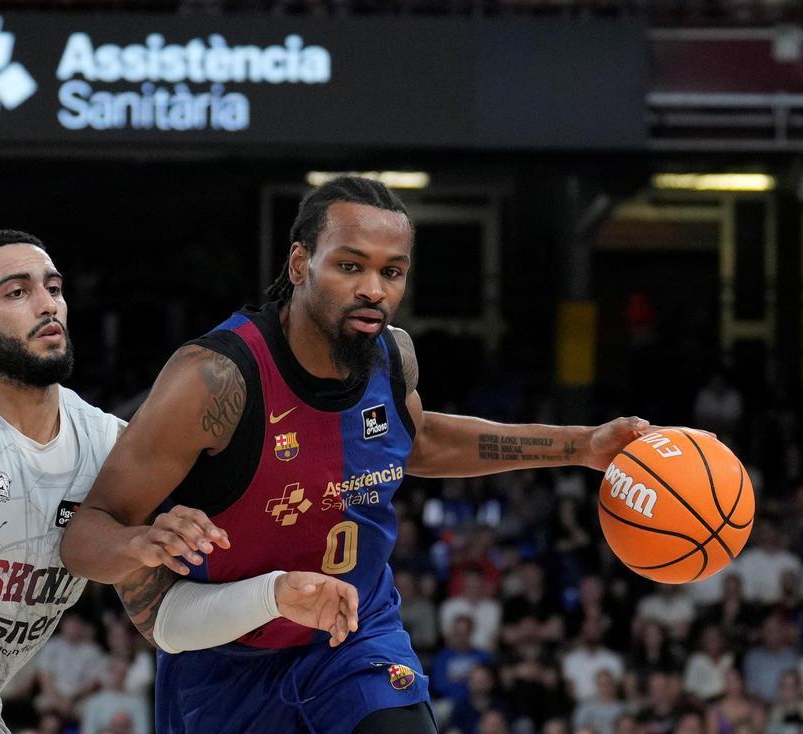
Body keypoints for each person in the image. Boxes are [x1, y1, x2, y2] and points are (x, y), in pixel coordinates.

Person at [0, 17, 358, 733]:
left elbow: (165, 620)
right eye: (15, 291)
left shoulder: (110, 448)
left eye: (53, 287)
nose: (47, 303)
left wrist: (273, 594)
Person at [62, 175, 656, 733]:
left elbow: (419, 440)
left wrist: (581, 445)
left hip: (356, 639)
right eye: (350, 266)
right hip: (225, 659)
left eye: (392, 271)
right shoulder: (214, 380)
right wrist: (139, 544)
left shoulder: (393, 357)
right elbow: (86, 535)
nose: (374, 289)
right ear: (300, 264)